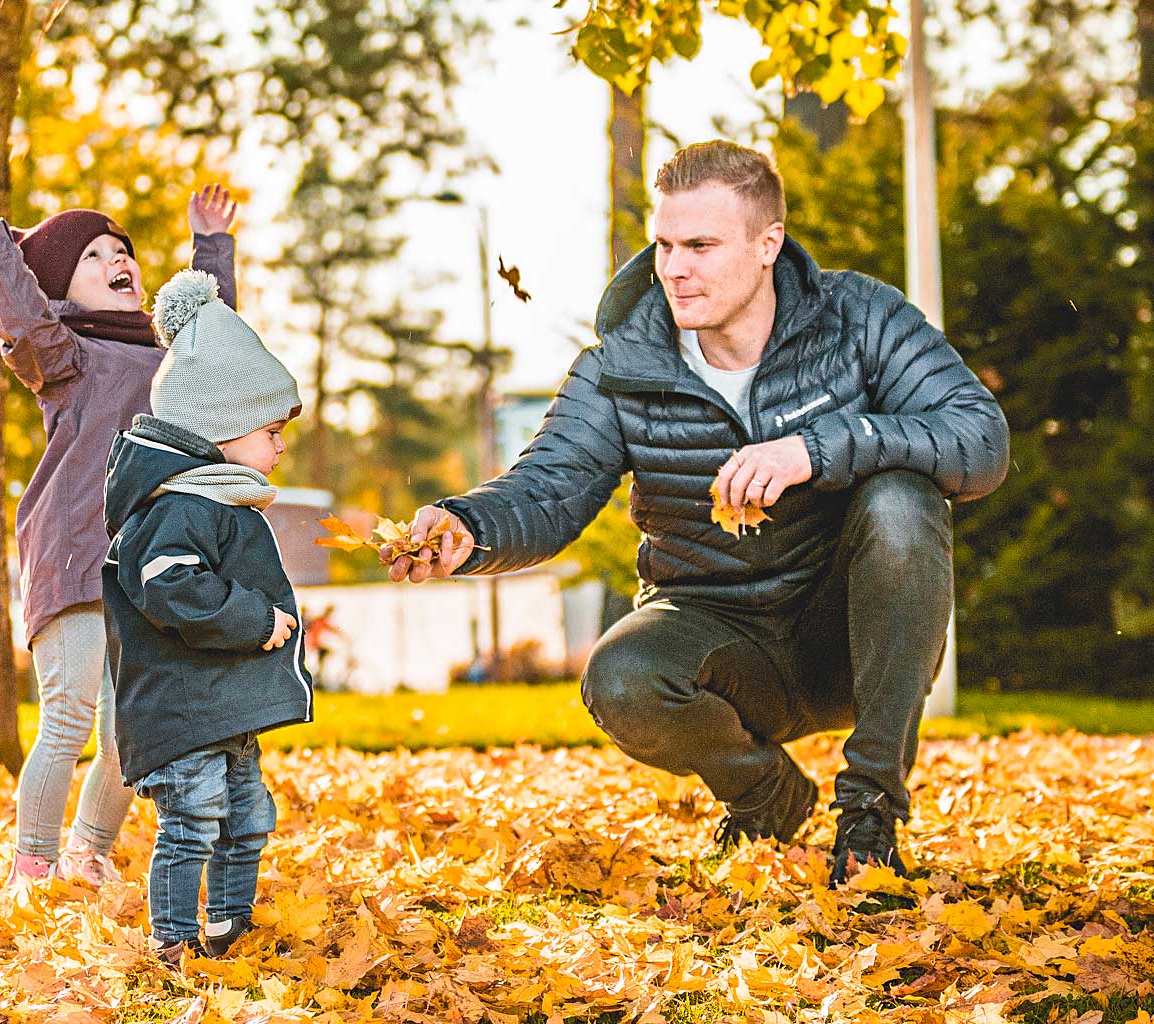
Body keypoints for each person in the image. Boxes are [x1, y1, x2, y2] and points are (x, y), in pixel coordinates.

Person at [386, 141, 1008, 885]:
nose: (676, 268)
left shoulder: (860, 319)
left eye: (702, 246)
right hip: (715, 635)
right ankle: (767, 797)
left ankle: (869, 812)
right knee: (619, 677)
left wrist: (818, 448)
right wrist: (469, 528)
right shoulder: (623, 365)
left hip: (846, 638)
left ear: (767, 244)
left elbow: (979, 437)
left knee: (905, 498)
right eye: (666, 245)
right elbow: (548, 488)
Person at [0, 181, 242, 887]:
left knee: (128, 735)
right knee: (68, 715)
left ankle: (88, 852)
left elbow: (215, 342)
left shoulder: (165, 358)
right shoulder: (66, 357)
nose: (118, 258)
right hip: (72, 552)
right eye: (93, 255)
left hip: (139, 568)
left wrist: (210, 243)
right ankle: (32, 865)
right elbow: (24, 320)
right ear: (64, 287)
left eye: (120, 250)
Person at [102, 270, 312, 963]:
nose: (280, 447)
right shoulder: (175, 506)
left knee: (247, 819)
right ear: (222, 425)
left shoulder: (214, 498)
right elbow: (170, 587)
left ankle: (228, 925)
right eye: (270, 431)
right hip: (182, 710)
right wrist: (254, 620)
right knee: (192, 822)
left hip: (221, 709)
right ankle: (172, 939)